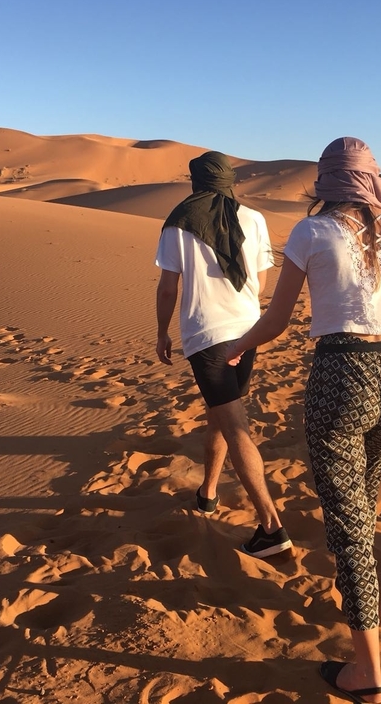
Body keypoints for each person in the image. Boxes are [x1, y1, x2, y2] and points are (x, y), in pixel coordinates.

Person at [225, 138, 381, 702]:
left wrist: (236, 347)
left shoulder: (310, 232)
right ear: (373, 177)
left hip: (340, 376)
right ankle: (365, 592)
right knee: (361, 499)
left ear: (324, 182)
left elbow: (276, 320)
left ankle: (367, 673)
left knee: (346, 523)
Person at [155, 150, 292, 558]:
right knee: (220, 413)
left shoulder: (179, 221)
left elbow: (167, 287)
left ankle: (271, 527)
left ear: (196, 180)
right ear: (229, 180)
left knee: (234, 426)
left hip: (207, 335)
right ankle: (209, 492)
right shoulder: (254, 219)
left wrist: (162, 331)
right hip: (248, 333)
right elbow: (262, 284)